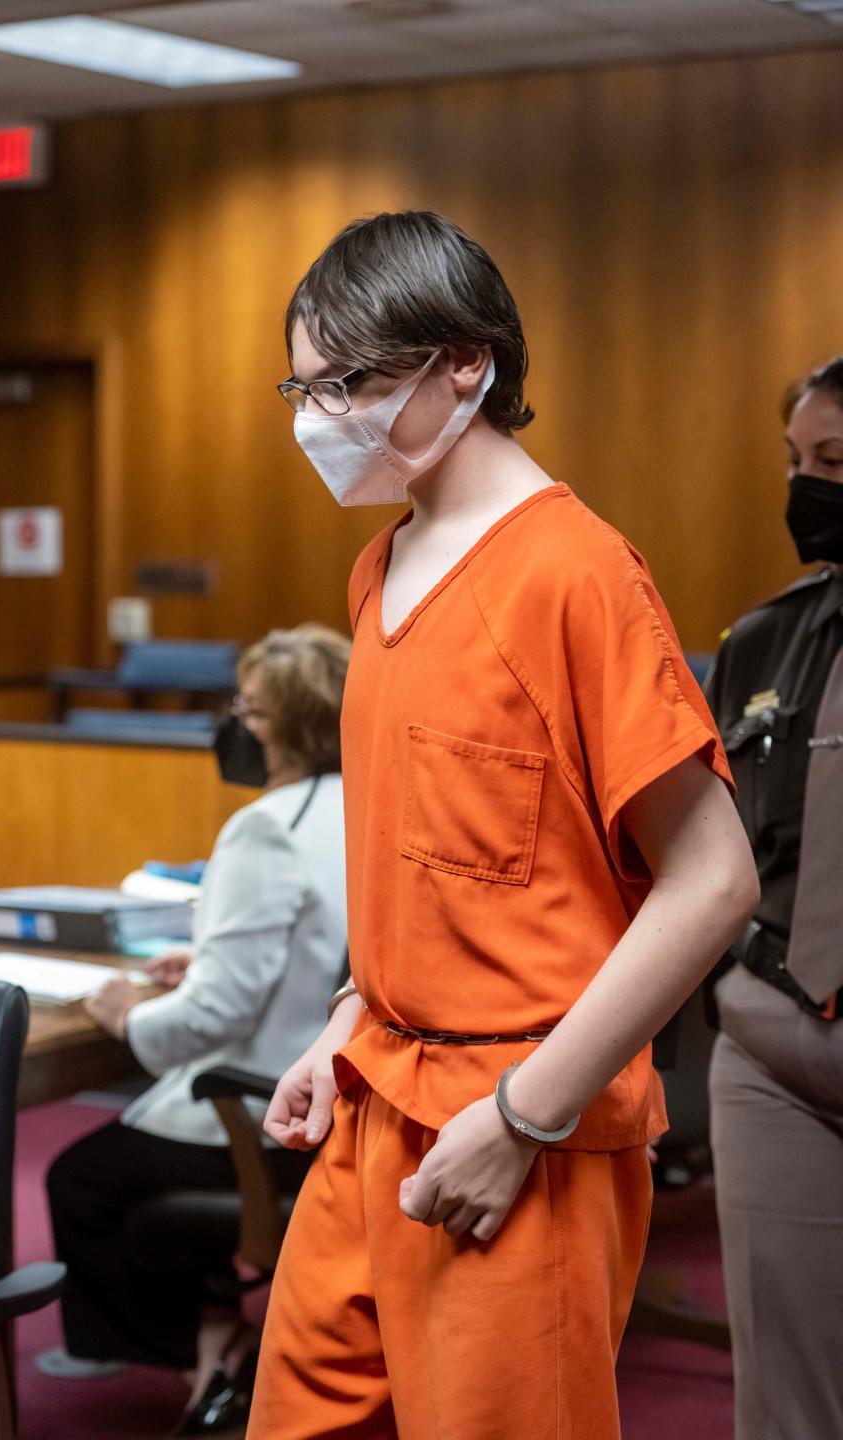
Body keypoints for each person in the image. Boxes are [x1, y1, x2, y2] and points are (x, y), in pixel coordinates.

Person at [247, 210, 759, 1440]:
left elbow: (714, 882)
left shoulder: (578, 573)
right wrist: (347, 1016)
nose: (323, 419)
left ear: (463, 364)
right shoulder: (378, 569)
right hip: (377, 1091)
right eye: (304, 389)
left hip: (519, 1121)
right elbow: (424, 858)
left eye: (351, 385)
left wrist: (525, 1116)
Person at [41, 623, 350, 1433]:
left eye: (250, 711)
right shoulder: (364, 803)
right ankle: (220, 1329)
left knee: (78, 1181)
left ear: (294, 726)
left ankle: (206, 1342)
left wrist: (126, 1013)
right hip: (342, 1100)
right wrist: (207, 953)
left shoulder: (266, 825)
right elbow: (317, 950)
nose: (235, 726)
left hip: (259, 1110)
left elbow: (214, 1016)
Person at [704, 355, 843, 1440]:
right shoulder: (764, 638)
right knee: (785, 1393)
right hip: (770, 1040)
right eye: (799, 464)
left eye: (834, 462)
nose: (809, 491)